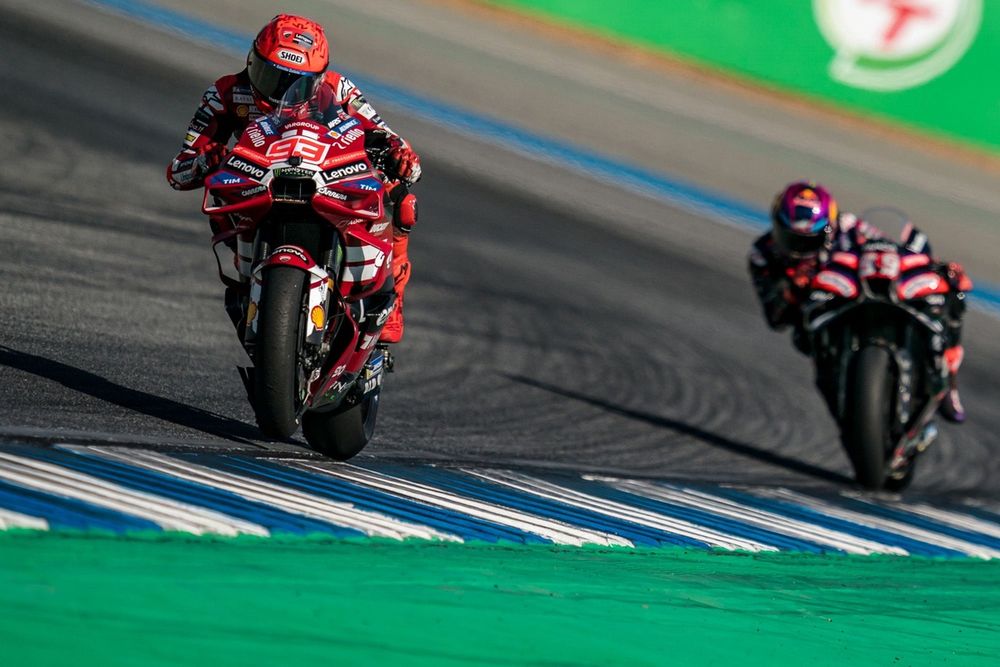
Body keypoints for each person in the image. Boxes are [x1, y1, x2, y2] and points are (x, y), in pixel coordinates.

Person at [167, 14, 421, 344]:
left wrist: (402, 159)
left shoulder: (338, 88)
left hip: (326, 178)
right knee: (219, 191)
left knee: (401, 200)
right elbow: (178, 171)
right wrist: (204, 162)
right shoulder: (224, 94)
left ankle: (394, 299)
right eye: (269, 75)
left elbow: (391, 141)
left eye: (293, 83)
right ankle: (249, 274)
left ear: (316, 80)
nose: (278, 92)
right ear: (251, 59)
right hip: (257, 186)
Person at [748, 181, 970, 423]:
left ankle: (948, 377)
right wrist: (791, 291)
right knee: (801, 340)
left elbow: (896, 247)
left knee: (952, 289)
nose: (801, 249)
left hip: (858, 298)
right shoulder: (763, 254)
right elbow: (776, 319)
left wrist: (933, 265)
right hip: (820, 320)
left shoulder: (850, 227)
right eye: (792, 238)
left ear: (829, 228)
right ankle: (844, 397)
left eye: (810, 240)